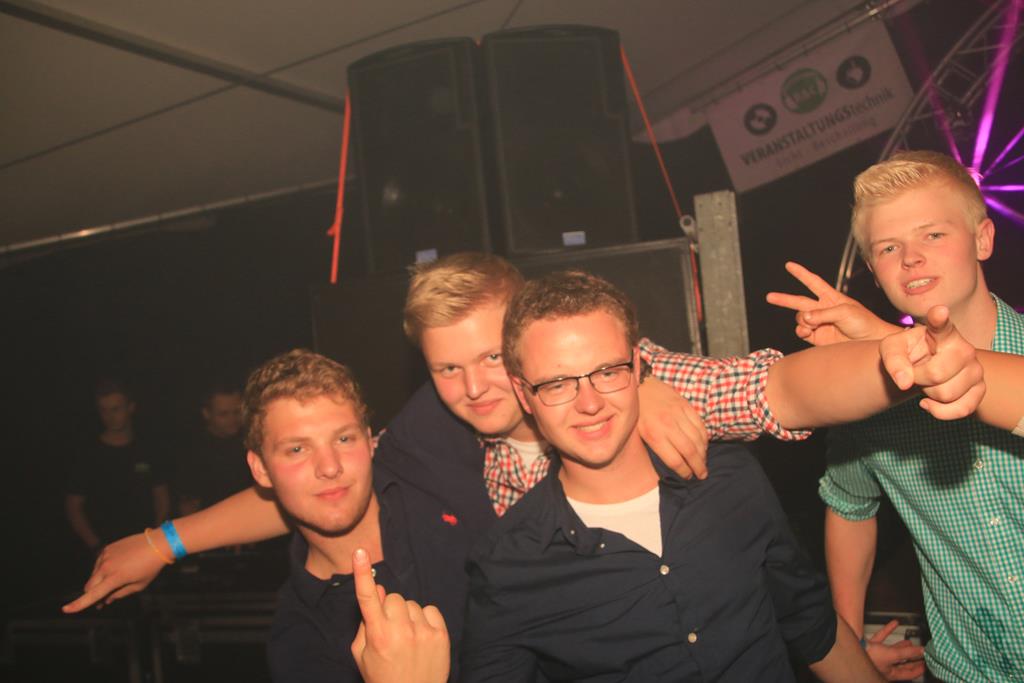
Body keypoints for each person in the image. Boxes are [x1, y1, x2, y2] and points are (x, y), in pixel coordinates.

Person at [64, 251, 983, 614]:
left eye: (488, 359)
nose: (473, 388)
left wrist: (894, 363)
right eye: (445, 368)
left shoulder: (627, 380)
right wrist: (163, 539)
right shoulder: (435, 431)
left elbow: (774, 386)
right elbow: (323, 485)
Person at [460, 270, 884, 681]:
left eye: (607, 372)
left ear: (637, 368)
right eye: (556, 384)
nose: (589, 403)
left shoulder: (731, 478)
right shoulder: (508, 564)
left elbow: (812, 624)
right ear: (524, 395)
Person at [768, 151, 1024, 681]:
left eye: (933, 234)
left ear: (982, 239)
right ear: (874, 271)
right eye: (888, 247)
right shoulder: (871, 399)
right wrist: (849, 644)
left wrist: (882, 337)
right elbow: (849, 506)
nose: (910, 258)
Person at [240, 349, 466, 682]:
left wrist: (167, 542)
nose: (330, 467)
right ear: (260, 469)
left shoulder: (427, 483)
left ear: (371, 441)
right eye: (297, 449)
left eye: (344, 439)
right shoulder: (300, 642)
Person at [65, 379, 170, 556]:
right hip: (104, 548)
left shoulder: (148, 449)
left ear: (131, 408)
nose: (110, 416)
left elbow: (161, 497)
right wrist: (96, 546)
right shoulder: (88, 453)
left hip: (143, 546)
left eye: (115, 409)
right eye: (104, 410)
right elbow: (73, 506)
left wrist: (155, 540)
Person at [175, 383, 249, 515]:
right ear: (206, 413)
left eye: (237, 412)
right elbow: (188, 504)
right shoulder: (192, 451)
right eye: (223, 414)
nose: (232, 419)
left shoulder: (251, 442)